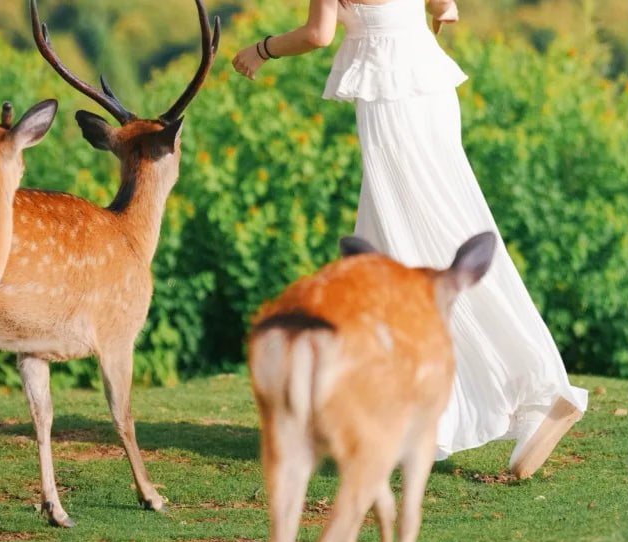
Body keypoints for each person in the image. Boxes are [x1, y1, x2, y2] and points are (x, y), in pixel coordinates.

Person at [232, 0, 587, 477]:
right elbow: (443, 5)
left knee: (408, 250)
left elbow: (318, 34)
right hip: (431, 92)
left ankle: (527, 389)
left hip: (390, 105)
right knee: (428, 237)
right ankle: (434, 410)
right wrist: (442, 11)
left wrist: (261, 50)